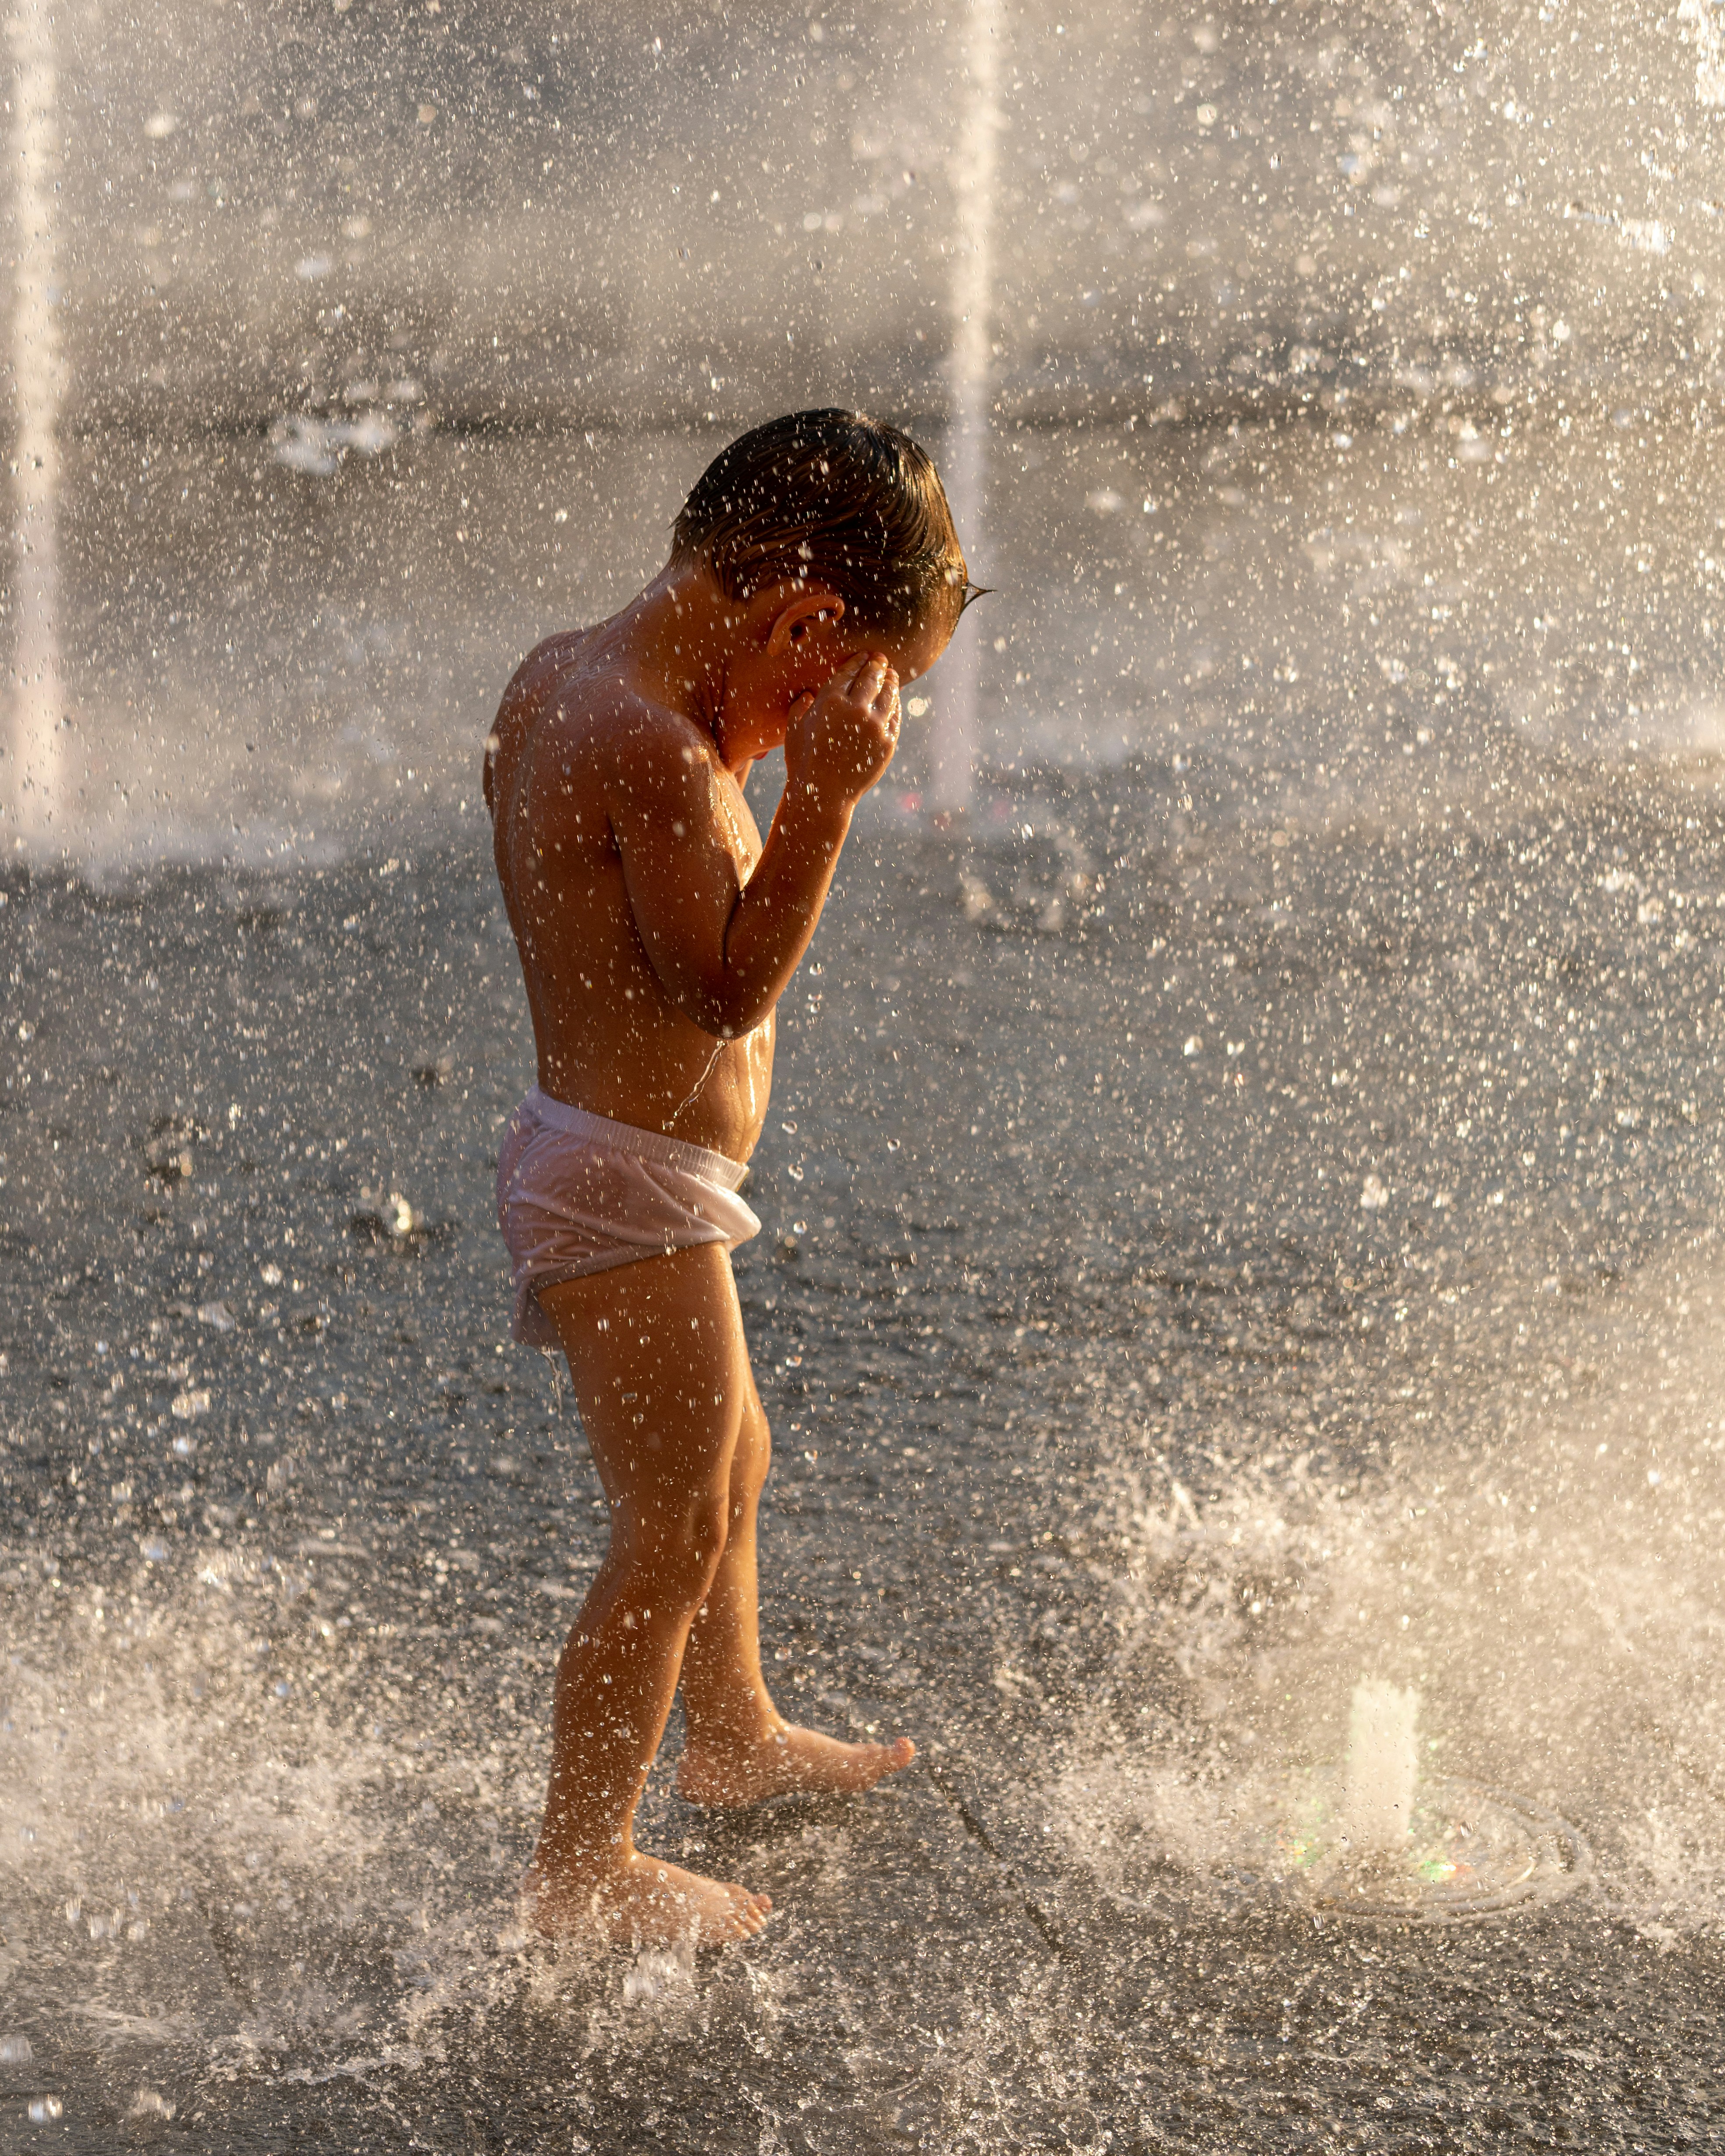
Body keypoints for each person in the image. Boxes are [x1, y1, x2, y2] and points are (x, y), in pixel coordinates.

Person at [482, 410, 969, 1947]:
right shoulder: (652, 745)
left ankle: (737, 1730)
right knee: (672, 1523)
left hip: (623, 1168)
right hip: (625, 1190)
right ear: (804, 620)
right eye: (852, 694)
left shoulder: (563, 676)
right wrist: (821, 801)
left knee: (733, 1462)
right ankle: (583, 1866)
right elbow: (723, 988)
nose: (837, 727)